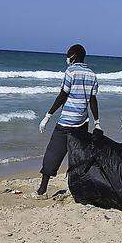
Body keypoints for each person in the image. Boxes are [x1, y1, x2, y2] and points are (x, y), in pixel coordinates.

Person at [32, 44, 100, 200]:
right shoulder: (92, 75)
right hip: (82, 122)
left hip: (66, 122)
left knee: (53, 153)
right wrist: (97, 122)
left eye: (68, 55)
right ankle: (77, 189)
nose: (67, 58)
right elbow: (93, 100)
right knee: (77, 156)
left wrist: (48, 115)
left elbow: (62, 95)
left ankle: (42, 190)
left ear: (74, 56)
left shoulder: (71, 71)